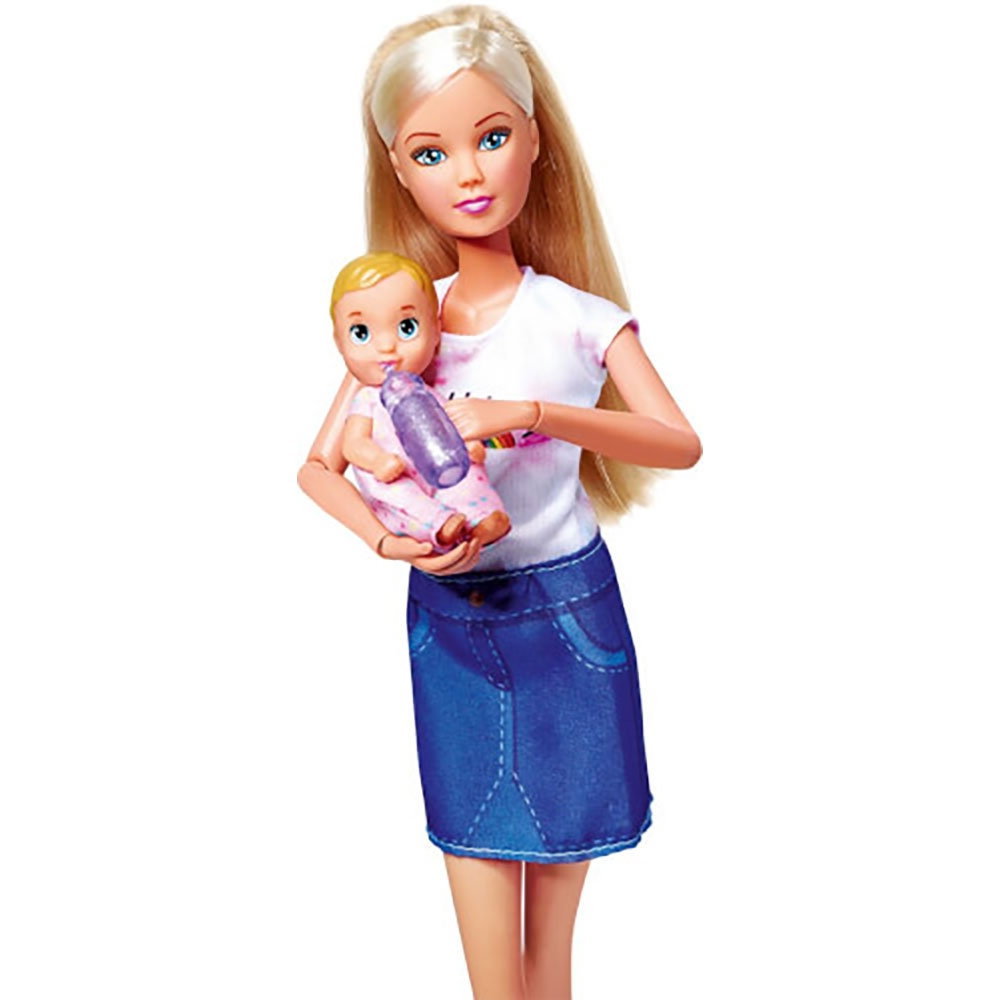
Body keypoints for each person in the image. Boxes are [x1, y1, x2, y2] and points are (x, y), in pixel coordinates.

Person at [298, 8, 702, 999]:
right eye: (431, 152)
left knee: (549, 942)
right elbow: (317, 466)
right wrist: (385, 542)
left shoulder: (581, 320)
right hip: (452, 617)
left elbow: (679, 442)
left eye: (490, 137)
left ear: (534, 141)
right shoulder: (402, 319)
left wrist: (534, 414)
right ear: (399, 171)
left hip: (566, 614)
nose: (468, 175)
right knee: (481, 909)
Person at [331, 250, 510, 552]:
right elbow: (352, 443)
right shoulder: (367, 399)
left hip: (439, 463)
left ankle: (482, 516)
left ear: (436, 331)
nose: (386, 346)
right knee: (399, 496)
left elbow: (447, 424)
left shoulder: (426, 392)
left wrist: (467, 445)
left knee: (467, 475)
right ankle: (440, 525)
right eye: (361, 333)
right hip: (394, 473)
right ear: (339, 342)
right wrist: (376, 460)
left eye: (407, 328)